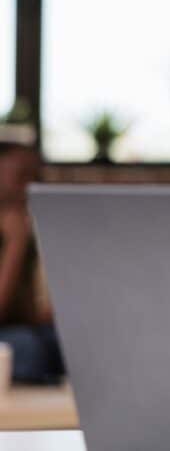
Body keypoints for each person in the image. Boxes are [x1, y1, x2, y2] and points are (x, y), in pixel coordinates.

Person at [0, 134, 64, 385]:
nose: (31, 185)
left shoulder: (27, 226)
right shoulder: (16, 233)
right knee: (28, 347)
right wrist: (15, 245)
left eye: (36, 175)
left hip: (18, 328)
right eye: (21, 175)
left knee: (65, 342)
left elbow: (26, 312)